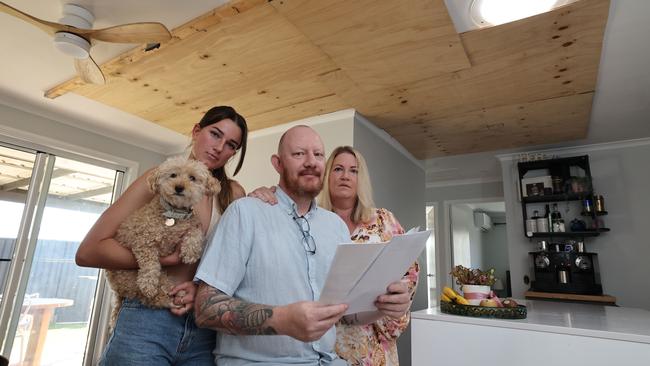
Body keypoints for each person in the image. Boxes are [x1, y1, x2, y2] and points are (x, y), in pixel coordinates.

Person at [194, 126, 412, 365]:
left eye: (318, 155)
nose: (311, 162)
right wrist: (281, 320)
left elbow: (346, 314)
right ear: (277, 164)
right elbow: (205, 308)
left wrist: (385, 306)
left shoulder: (335, 227)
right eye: (299, 154)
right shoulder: (245, 213)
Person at [75, 105, 248, 365]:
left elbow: (234, 261)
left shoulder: (233, 194)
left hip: (204, 326)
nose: (220, 147)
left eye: (231, 144)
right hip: (147, 317)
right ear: (196, 131)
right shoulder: (157, 180)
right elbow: (89, 251)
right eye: (215, 134)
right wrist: (163, 260)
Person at [249, 145, 419, 366]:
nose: (345, 176)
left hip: (374, 343)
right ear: (327, 175)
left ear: (361, 178)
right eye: (338, 169)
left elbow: (409, 270)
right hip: (327, 342)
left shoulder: (383, 220)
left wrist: (397, 299)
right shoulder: (308, 221)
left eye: (353, 170)